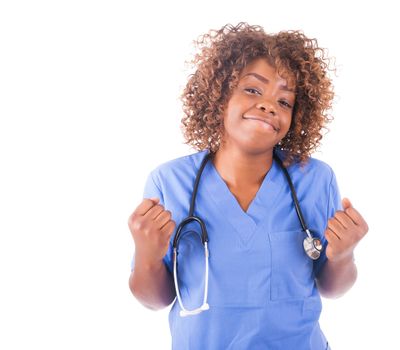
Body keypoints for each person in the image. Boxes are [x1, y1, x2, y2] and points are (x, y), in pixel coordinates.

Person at [128, 22, 369, 349]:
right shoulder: (170, 182)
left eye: (284, 101)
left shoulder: (314, 180)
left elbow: (332, 287)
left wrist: (342, 256)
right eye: (253, 90)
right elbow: (155, 299)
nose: (269, 105)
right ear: (220, 95)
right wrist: (147, 255)